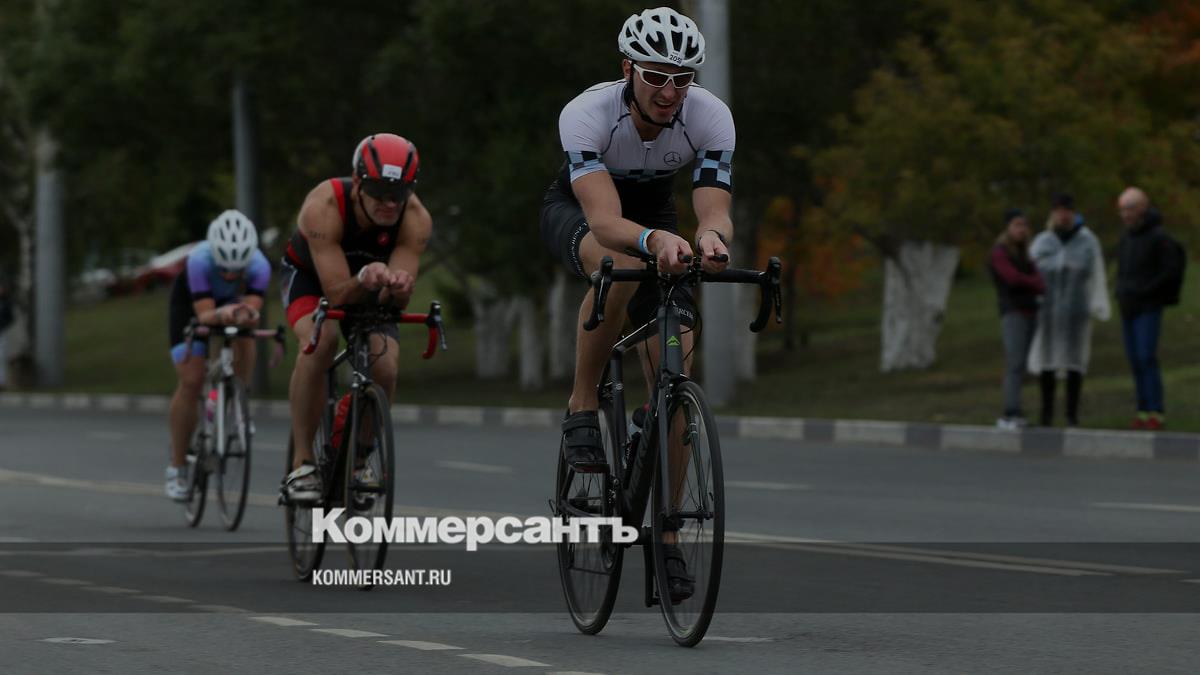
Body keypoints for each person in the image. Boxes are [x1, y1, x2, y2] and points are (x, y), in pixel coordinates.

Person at [540, 6, 734, 602]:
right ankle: (581, 404)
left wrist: (711, 238)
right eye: (655, 76)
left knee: (677, 368)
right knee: (616, 266)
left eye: (682, 78)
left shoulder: (711, 115)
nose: (670, 91)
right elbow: (604, 219)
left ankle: (666, 537)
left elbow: (713, 207)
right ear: (628, 69)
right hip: (584, 212)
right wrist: (655, 242)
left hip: (656, 214)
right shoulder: (587, 113)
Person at [281, 133, 431, 502]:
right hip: (312, 279)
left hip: (370, 284)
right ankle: (302, 463)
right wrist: (364, 277)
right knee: (321, 342)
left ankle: (360, 458)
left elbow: (394, 302)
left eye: (399, 193)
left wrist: (397, 288)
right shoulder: (323, 206)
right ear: (357, 182)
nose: (389, 203)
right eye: (379, 191)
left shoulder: (415, 219)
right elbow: (336, 294)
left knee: (385, 366)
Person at [165, 210, 270, 501]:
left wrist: (245, 314)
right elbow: (205, 315)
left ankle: (238, 398)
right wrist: (223, 313)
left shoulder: (260, 266)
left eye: (237, 270)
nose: (230, 275)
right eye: (224, 268)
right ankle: (177, 467)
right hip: (191, 306)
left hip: (231, 304)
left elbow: (251, 310)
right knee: (192, 380)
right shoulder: (198, 261)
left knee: (245, 332)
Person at [1027, 194, 1110, 427]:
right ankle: (1046, 415)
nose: (1063, 215)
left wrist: (1098, 304)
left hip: (1076, 310)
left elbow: (1097, 273)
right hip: (1049, 312)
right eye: (1059, 211)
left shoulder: (1087, 240)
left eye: (1067, 211)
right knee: (1048, 362)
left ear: (1073, 213)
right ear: (1053, 213)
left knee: (1075, 362)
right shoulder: (1043, 241)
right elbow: (1031, 272)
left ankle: (1072, 415)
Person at [1115, 187, 1185, 430]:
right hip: (1128, 306)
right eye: (1122, 210)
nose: (1126, 214)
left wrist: (1146, 290)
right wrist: (1121, 291)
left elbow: (1170, 270)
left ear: (1142, 208)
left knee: (1146, 357)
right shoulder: (1127, 238)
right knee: (1134, 359)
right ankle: (1142, 410)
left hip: (1148, 306)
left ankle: (1156, 410)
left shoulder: (1158, 237)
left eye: (1130, 209)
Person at [988, 209, 1044, 429]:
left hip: (1030, 310)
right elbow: (1012, 279)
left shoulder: (1025, 254)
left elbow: (1039, 280)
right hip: (1013, 312)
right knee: (1015, 362)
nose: (1022, 230)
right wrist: (1031, 282)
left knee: (1024, 364)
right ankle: (1010, 412)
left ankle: (1017, 410)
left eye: (1024, 225)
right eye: (1017, 225)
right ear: (1008, 227)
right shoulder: (1000, 252)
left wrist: (1032, 282)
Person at [0, 278, 12, 391]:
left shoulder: (5, 303)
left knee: (1, 357)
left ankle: (2, 382)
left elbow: (10, 318)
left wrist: (3, 326)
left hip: (1, 333)